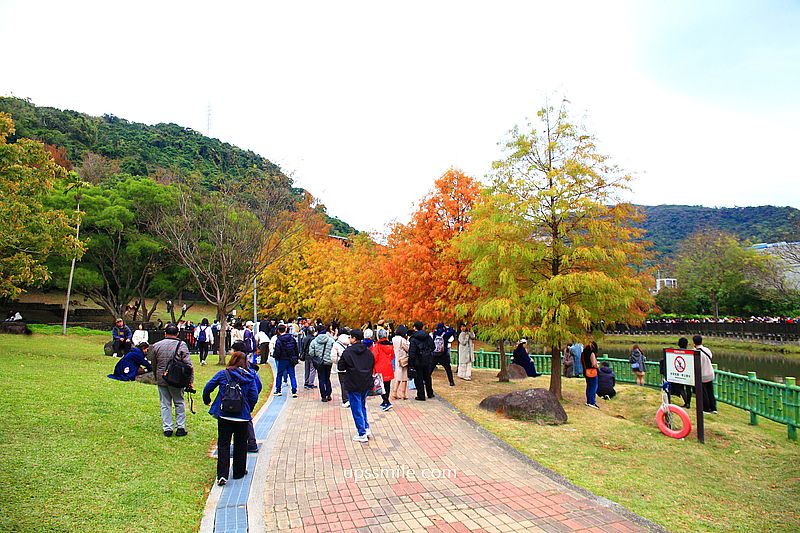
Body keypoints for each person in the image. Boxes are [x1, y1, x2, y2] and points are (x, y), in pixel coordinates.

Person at [202, 351, 259, 486]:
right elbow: (254, 395)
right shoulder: (250, 376)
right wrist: (248, 408)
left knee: (223, 444)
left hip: (225, 414)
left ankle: (222, 474)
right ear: (245, 362)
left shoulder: (223, 374)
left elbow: (208, 387)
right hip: (242, 416)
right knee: (241, 444)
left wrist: (207, 399)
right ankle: (239, 471)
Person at [151, 323, 194, 436]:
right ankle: (180, 427)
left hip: (162, 377)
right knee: (179, 402)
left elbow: (153, 364)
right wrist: (190, 381)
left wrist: (157, 377)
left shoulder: (156, 345)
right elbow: (188, 365)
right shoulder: (182, 345)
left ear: (165, 333)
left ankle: (167, 428)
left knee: (165, 403)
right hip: (177, 378)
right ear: (177, 333)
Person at [337, 328, 375, 443]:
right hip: (366, 382)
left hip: (353, 382)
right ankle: (366, 427)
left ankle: (361, 432)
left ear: (354, 339)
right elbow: (372, 363)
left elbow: (341, 367)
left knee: (356, 408)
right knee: (362, 405)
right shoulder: (368, 351)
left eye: (350, 337)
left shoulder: (348, 352)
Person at [408, 321, 435, 401]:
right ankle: (430, 393)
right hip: (427, 359)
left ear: (415, 328)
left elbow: (412, 352)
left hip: (417, 360)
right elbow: (433, 346)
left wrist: (411, 363)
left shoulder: (413, 338)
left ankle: (421, 395)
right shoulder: (427, 336)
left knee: (418, 378)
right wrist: (428, 352)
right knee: (427, 377)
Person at [308, 324, 335, 402]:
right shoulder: (331, 340)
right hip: (328, 362)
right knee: (327, 378)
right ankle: (329, 394)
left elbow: (311, 353)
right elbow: (333, 351)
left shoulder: (314, 341)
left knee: (321, 379)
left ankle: (323, 396)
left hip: (319, 363)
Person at [272, 323, 299, 397]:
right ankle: (294, 391)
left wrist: (277, 357)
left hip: (282, 359)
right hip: (291, 359)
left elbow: (277, 351)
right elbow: (296, 349)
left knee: (279, 374)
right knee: (292, 375)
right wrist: (296, 357)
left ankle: (278, 390)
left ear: (278, 330)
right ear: (286, 329)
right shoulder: (292, 338)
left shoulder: (279, 340)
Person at [372, 328, 395, 411]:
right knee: (387, 385)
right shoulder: (390, 345)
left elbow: (374, 357)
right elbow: (392, 356)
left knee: (381, 386)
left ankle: (386, 402)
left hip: (379, 368)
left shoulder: (377, 346)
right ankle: (385, 401)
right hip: (388, 367)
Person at [694, 335, 717, 414]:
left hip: (702, 374)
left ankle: (706, 408)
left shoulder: (695, 352)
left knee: (704, 392)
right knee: (710, 391)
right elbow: (710, 357)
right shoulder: (707, 350)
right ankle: (713, 408)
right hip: (710, 373)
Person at [331, 328, 351, 408]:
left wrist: (337, 362)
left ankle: (345, 400)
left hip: (341, 366)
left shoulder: (336, 344)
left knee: (343, 383)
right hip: (350, 365)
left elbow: (333, 357)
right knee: (350, 382)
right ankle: (351, 398)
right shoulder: (350, 342)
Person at [391, 325, 410, 400]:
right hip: (403, 359)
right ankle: (403, 394)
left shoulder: (393, 339)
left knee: (398, 377)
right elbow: (407, 348)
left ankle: (394, 392)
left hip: (397, 358)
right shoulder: (402, 340)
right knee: (404, 377)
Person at [581, 341, 599, 409]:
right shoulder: (592, 353)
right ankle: (592, 402)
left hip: (586, 371)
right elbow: (594, 364)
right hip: (592, 371)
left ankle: (588, 400)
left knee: (589, 386)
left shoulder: (583, 353)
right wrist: (597, 365)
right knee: (593, 387)